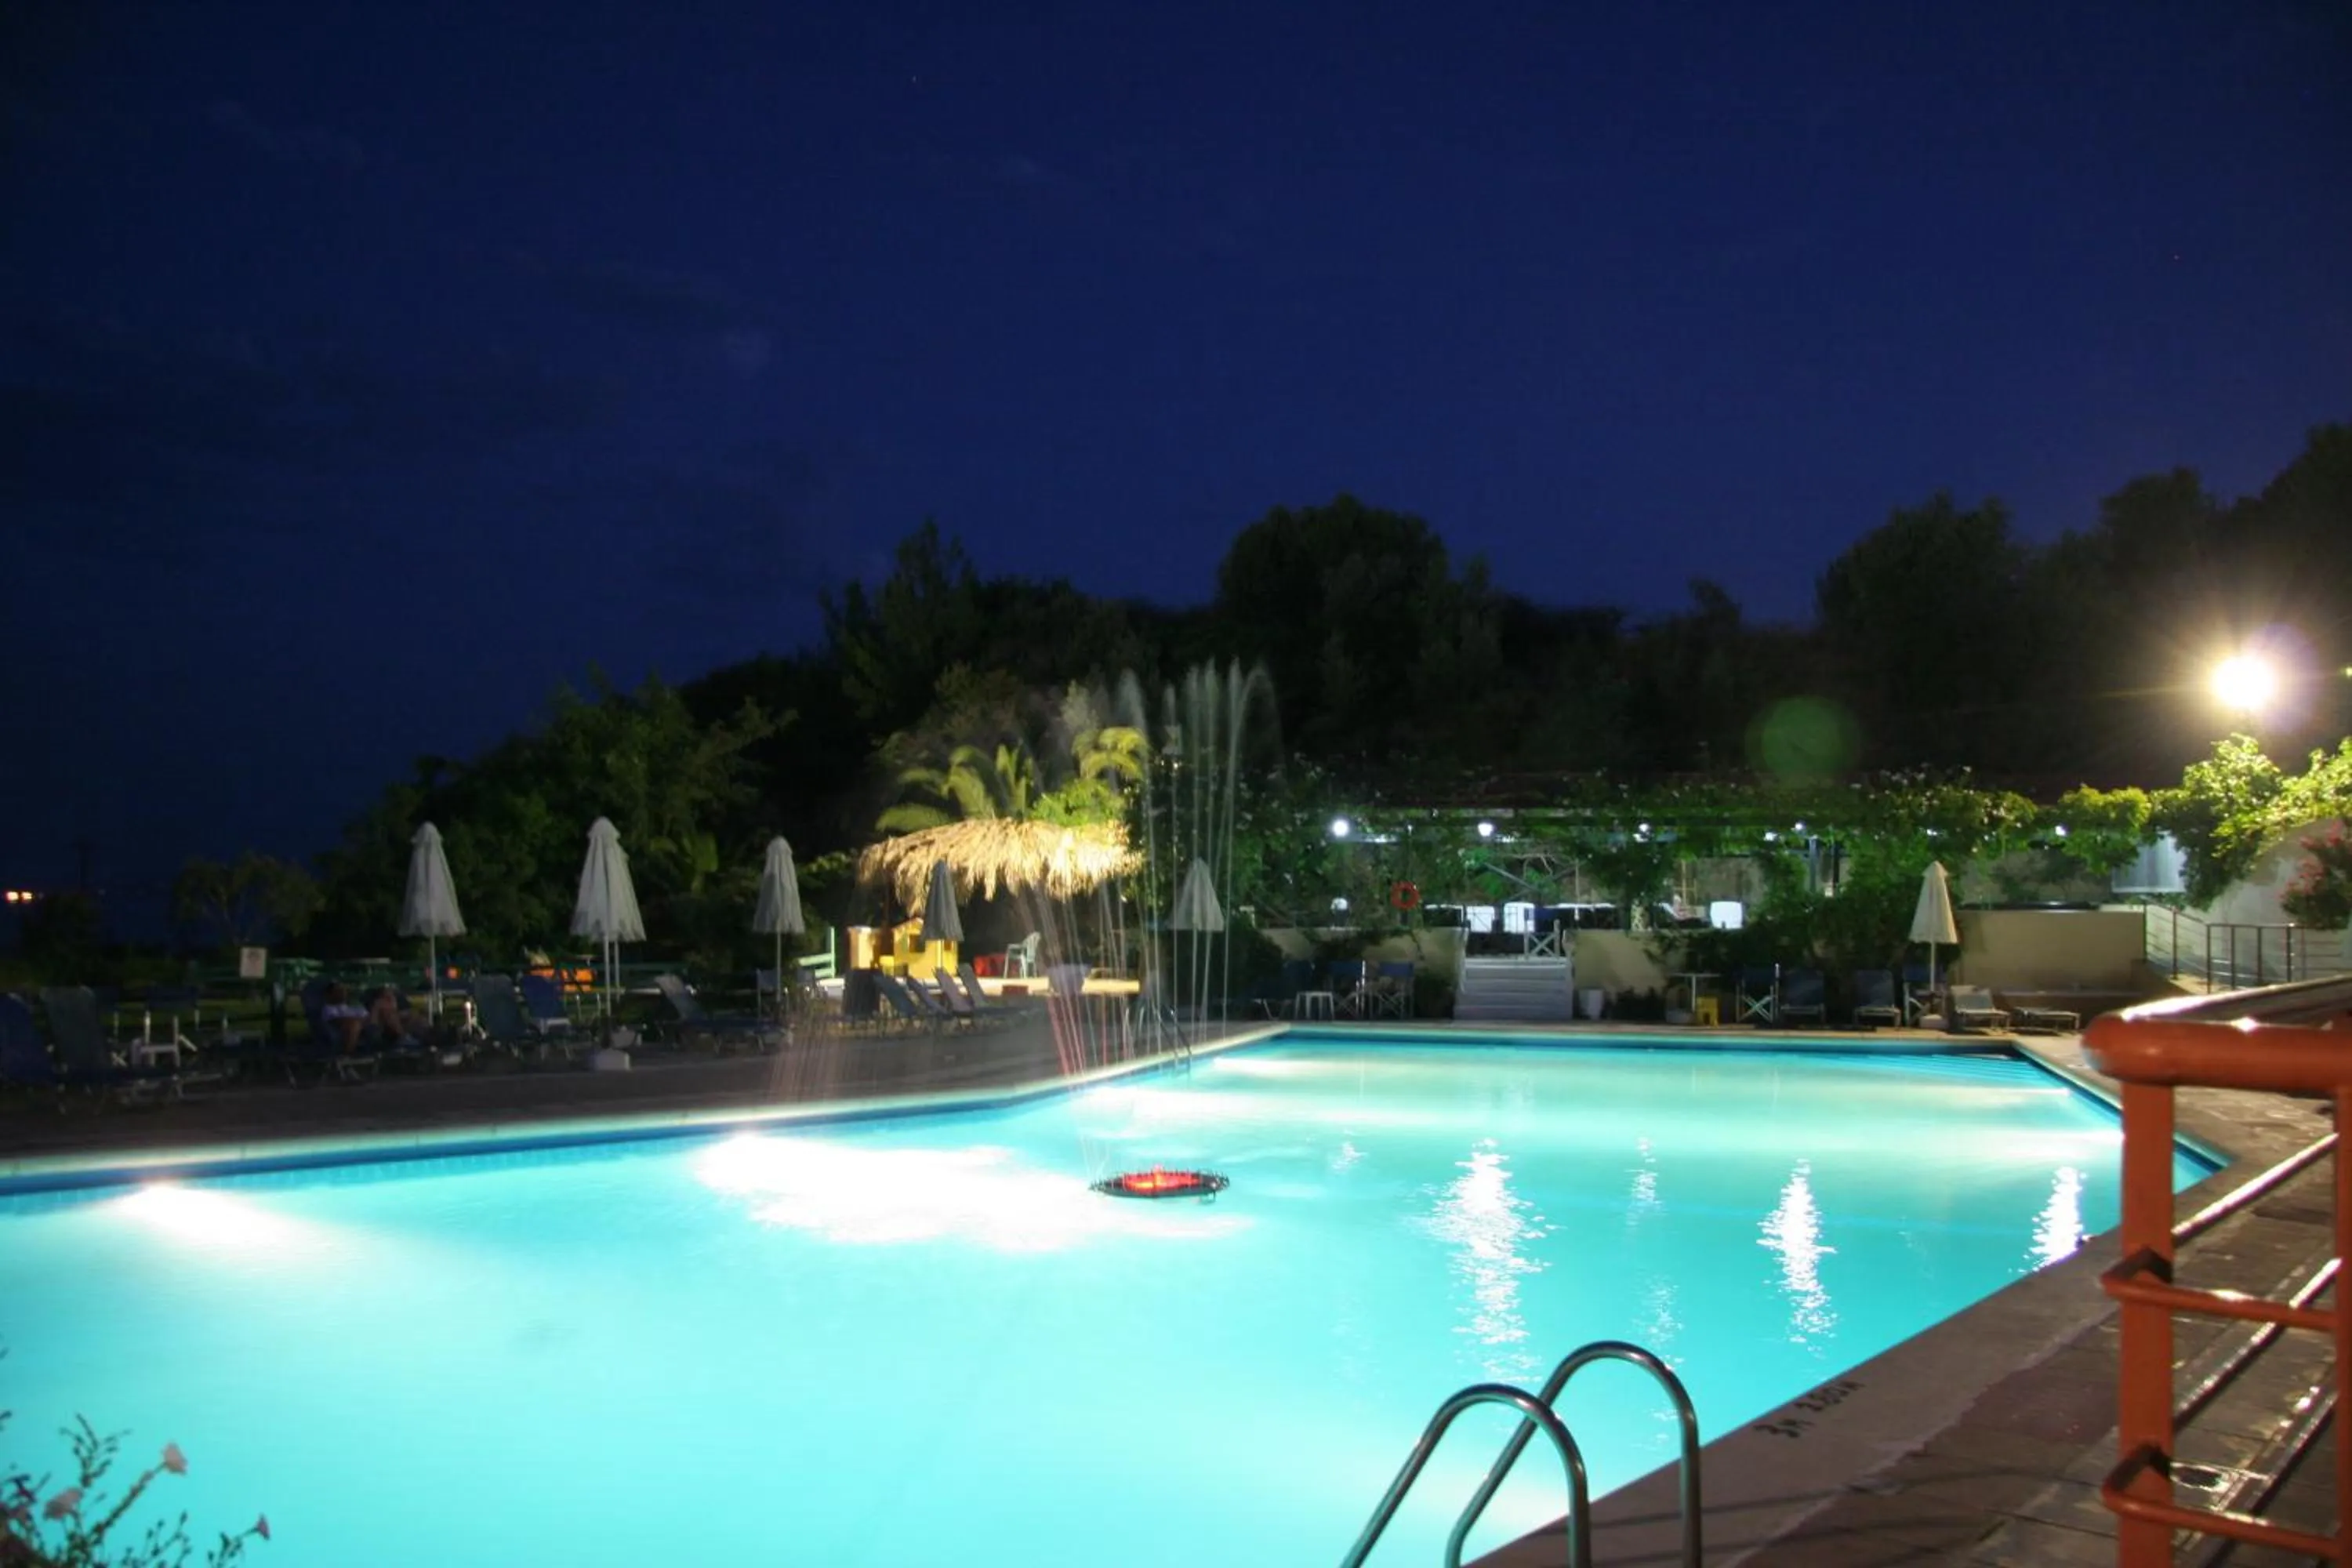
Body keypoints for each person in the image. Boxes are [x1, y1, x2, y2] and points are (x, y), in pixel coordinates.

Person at [320, 982, 368, 1053]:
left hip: (367, 1024)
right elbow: (337, 1021)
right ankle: (347, 1054)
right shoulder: (329, 1008)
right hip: (346, 1029)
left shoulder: (352, 1006)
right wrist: (360, 1020)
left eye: (343, 990)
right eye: (338, 991)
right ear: (330, 994)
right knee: (353, 1024)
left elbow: (367, 1015)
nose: (343, 992)